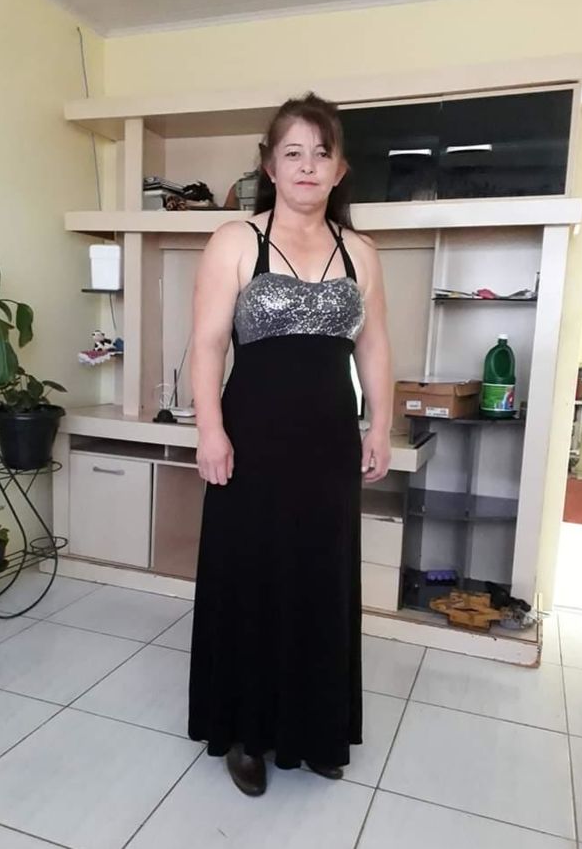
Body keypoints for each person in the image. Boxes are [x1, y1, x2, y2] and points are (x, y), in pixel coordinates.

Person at [187, 92, 392, 797]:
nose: (307, 165)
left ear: (340, 170)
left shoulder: (360, 251)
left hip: (329, 442)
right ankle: (247, 732)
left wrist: (380, 424)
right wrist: (210, 429)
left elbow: (375, 347)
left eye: (321, 153)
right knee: (250, 577)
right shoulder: (235, 241)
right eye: (293, 152)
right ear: (270, 167)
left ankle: (315, 728)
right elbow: (207, 345)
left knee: (320, 580)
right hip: (251, 440)